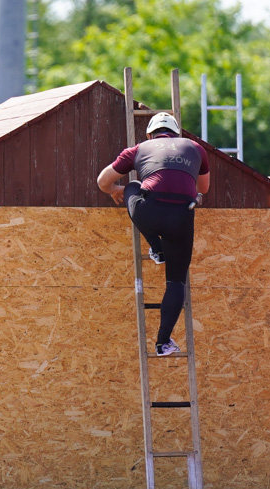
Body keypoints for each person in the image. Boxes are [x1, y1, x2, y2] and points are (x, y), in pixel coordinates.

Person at [97, 112, 210, 356]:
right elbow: (204, 189)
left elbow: (102, 181)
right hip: (182, 215)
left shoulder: (138, 149)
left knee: (132, 186)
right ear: (177, 135)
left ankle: (156, 247)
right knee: (176, 281)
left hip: (149, 212)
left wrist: (117, 190)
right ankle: (163, 342)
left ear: (150, 135)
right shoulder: (195, 148)